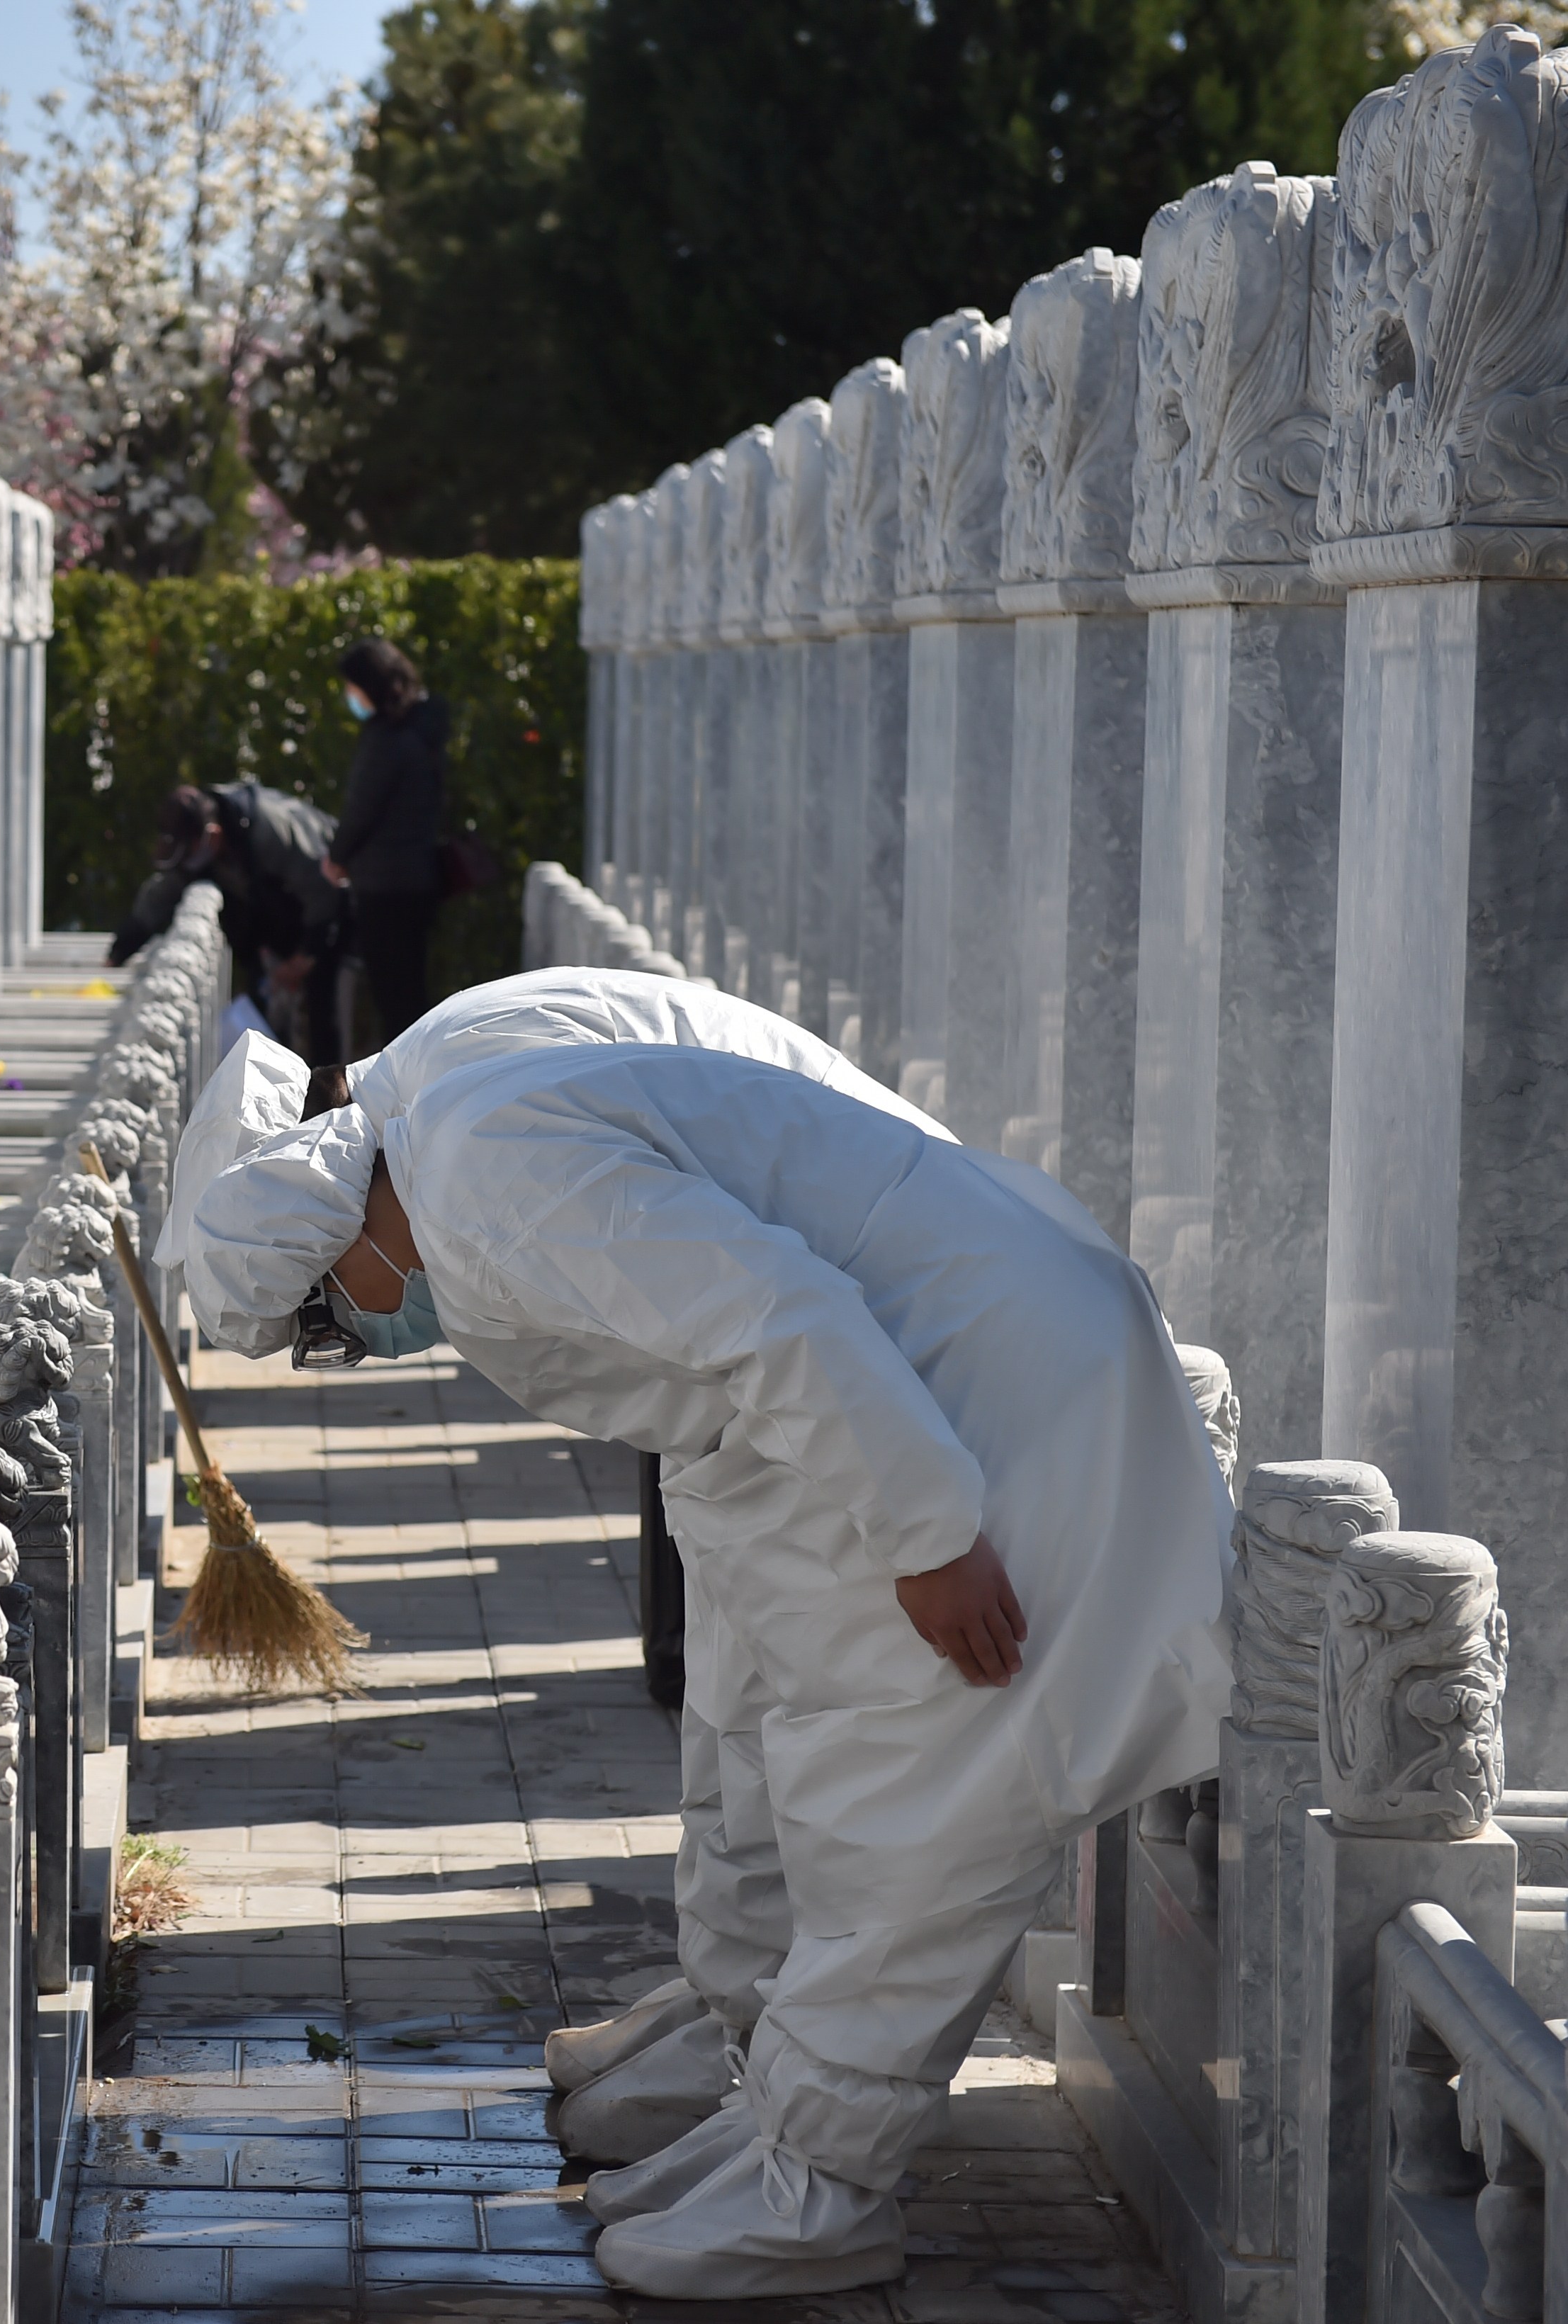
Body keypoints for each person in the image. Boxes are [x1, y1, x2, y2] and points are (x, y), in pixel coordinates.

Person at [162, 974, 1233, 2301]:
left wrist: (926, 1536)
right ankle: (765, 2093)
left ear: (340, 1230)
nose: (363, 1346)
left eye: (327, 1320)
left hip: (976, 1408)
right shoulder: (445, 1122)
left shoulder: (484, 1183)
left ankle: (822, 2184)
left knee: (903, 1811)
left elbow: (775, 1316)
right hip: (872, 1395)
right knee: (772, 1760)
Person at [108, 777, 347, 1061]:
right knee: (266, 1016)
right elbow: (163, 893)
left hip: (328, 914)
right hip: (270, 934)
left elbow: (322, 889)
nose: (190, 861)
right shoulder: (197, 849)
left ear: (214, 834)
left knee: (322, 1010)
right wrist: (119, 951)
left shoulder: (269, 828)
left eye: (192, 852)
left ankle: (330, 1096)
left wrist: (304, 958)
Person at [320, 638, 450, 1039]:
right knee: (411, 991)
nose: (349, 697)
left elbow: (362, 809)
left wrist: (336, 858)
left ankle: (404, 1091)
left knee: (393, 998)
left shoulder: (385, 739)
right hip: (418, 877)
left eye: (352, 687)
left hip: (384, 883)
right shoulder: (423, 729)